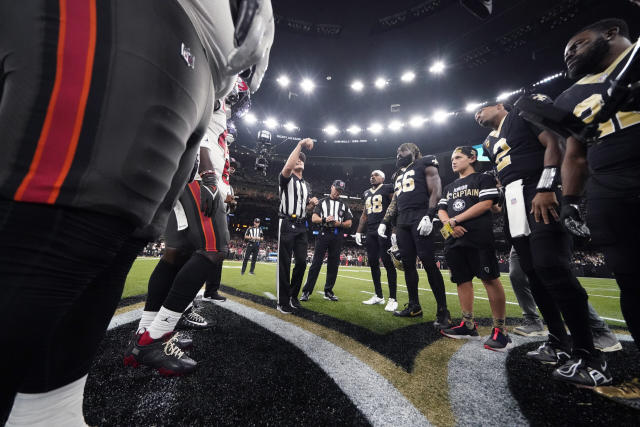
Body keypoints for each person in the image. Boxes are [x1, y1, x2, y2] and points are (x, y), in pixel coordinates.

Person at [0, 0, 274, 424]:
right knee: (69, 228)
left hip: (192, 63)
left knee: (119, 242)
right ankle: (149, 336)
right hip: (141, 22)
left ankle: (48, 412)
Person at [475, 93, 611, 387]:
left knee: (553, 267)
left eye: (481, 107)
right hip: (513, 198)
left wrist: (547, 185)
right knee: (533, 273)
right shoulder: (488, 142)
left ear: (500, 105)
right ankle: (558, 343)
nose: (476, 115)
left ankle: (591, 355)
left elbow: (555, 142)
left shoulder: (521, 111)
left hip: (537, 189)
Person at [123, 97, 237, 375]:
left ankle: (144, 334)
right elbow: (197, 125)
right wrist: (210, 175)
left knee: (176, 255)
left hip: (185, 170)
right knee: (214, 248)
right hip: (195, 172)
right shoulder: (217, 84)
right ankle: (154, 339)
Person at [556, 18, 639, 350]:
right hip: (609, 188)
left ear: (611, 33)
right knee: (632, 282)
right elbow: (574, 154)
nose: (570, 54)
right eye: (565, 53)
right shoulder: (569, 97)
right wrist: (570, 200)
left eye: (577, 43)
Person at [437, 147, 511, 351]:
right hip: (453, 238)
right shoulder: (449, 186)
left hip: (478, 236)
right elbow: (441, 209)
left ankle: (500, 329)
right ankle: (468, 324)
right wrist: (450, 226)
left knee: (489, 278)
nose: (453, 161)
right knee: (461, 280)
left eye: (458, 157)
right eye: (452, 158)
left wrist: (454, 220)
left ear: (472, 157)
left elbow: (486, 204)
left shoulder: (483, 179)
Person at [379, 143, 451, 328]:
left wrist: (429, 215)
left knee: (428, 262)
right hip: (403, 221)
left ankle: (443, 311)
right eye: (397, 151)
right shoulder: (397, 174)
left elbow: (436, 188)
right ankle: (414, 306)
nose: (398, 154)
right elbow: (395, 201)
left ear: (414, 151)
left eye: (402, 151)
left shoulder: (425, 162)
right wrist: (387, 223)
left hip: (420, 216)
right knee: (407, 265)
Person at [276, 138, 318, 314]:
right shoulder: (286, 178)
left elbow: (304, 209)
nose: (300, 160)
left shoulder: (305, 185)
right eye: (297, 159)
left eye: (302, 159)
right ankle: (282, 301)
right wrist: (300, 145)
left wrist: (311, 206)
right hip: (286, 222)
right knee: (284, 264)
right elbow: (287, 167)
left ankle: (293, 296)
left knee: (301, 262)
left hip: (301, 225)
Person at [300, 180, 353, 302]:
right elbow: (314, 218)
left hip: (337, 235)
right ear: (331, 187)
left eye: (340, 191)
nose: (337, 192)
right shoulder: (322, 202)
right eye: (336, 189)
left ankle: (328, 291)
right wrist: (324, 220)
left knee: (333, 265)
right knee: (316, 263)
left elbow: (349, 223)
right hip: (324, 233)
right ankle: (306, 291)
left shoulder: (344, 205)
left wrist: (339, 223)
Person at [355, 170, 398, 311]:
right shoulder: (366, 193)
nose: (372, 176)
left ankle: (393, 298)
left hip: (384, 228)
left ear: (383, 177)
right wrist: (358, 231)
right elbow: (364, 214)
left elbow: (395, 207)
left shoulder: (388, 188)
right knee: (373, 262)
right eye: (371, 175)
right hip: (371, 231)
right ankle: (379, 295)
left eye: (376, 174)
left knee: (387, 262)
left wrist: (394, 229)